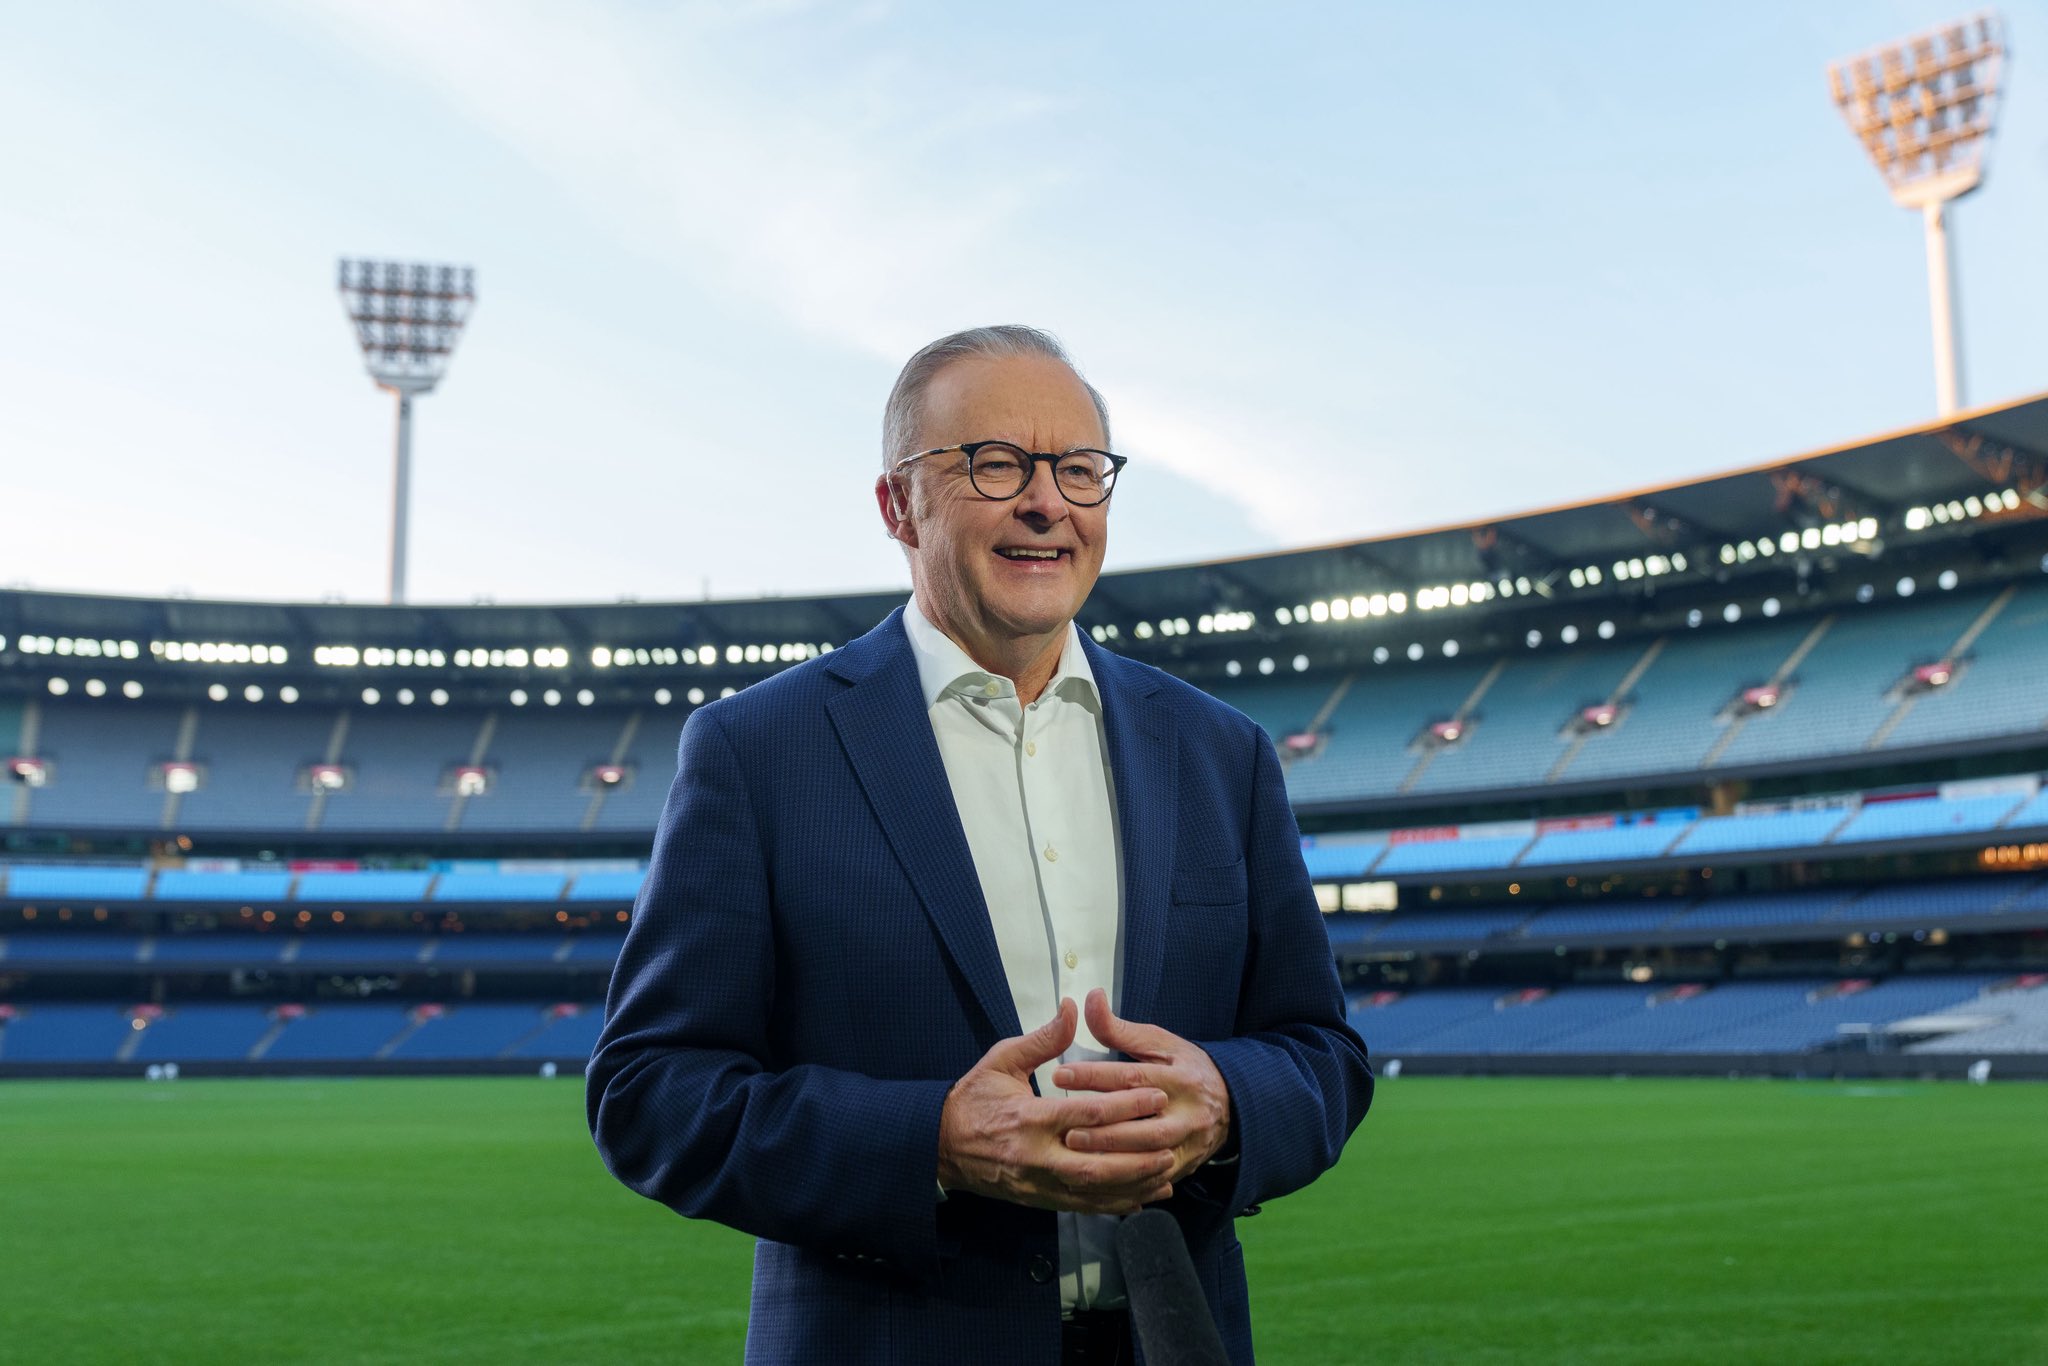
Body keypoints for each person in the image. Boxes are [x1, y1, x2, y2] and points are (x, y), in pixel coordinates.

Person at [588, 325, 1372, 1365]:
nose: (1045, 501)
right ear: (897, 505)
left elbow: (1321, 1054)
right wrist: (934, 1142)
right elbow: (650, 1092)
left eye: (1078, 469)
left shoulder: (1219, 751)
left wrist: (1227, 1105)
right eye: (993, 465)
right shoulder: (758, 749)